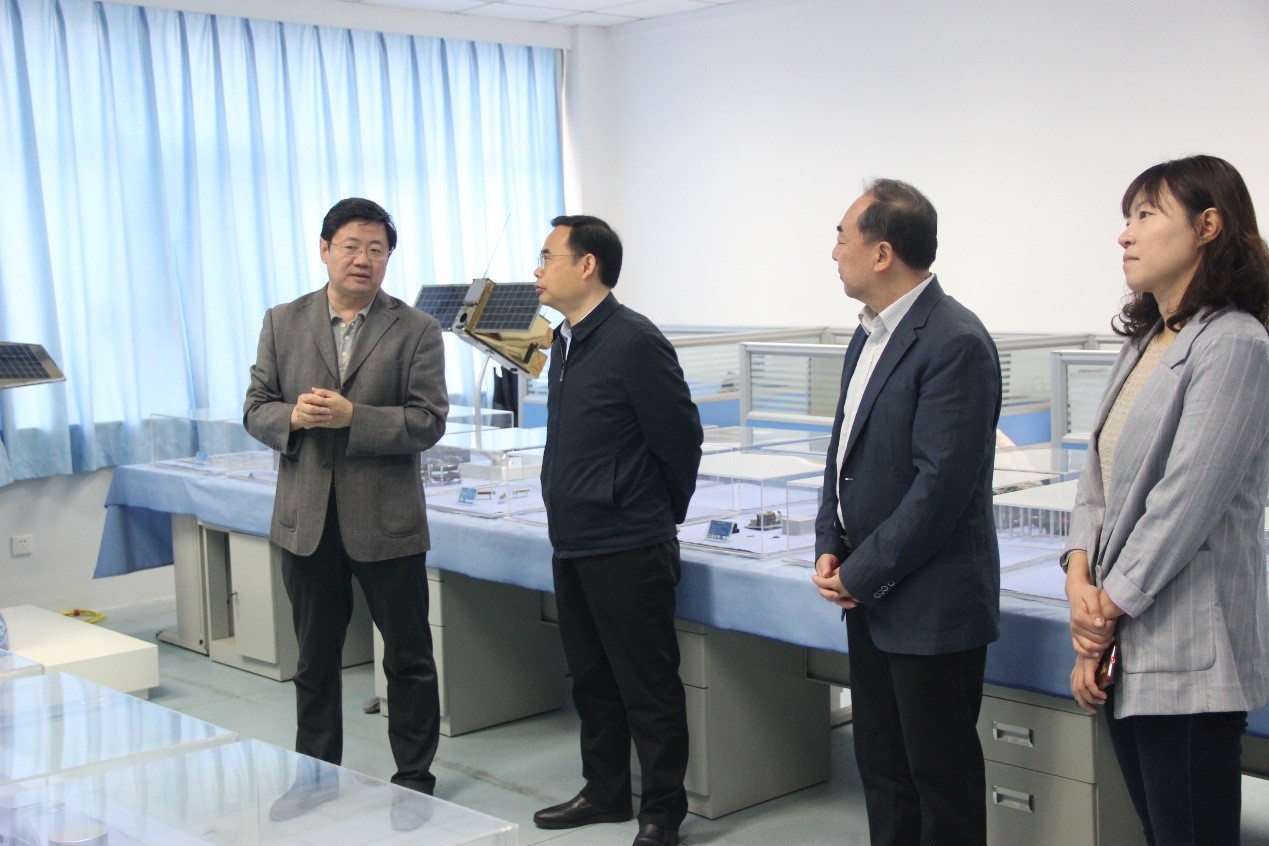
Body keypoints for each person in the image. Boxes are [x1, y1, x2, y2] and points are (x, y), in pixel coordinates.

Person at [1065, 155, 1269, 846]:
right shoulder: (1148, 339)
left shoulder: (1235, 343)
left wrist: (1102, 615)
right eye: (1126, 218)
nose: (1125, 234)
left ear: (1207, 226)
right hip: (1126, 636)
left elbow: (1184, 502)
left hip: (1187, 649)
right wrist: (1077, 577)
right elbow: (1096, 477)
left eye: (1145, 215)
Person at [243, 197, 448, 825]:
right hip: (306, 521)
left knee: (408, 659)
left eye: (377, 249)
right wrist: (293, 417)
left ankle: (413, 783)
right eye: (352, 246)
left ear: (388, 259)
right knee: (314, 660)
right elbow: (255, 407)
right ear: (325, 249)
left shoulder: (416, 329)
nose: (363, 259)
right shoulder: (283, 321)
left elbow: (428, 422)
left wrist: (356, 417)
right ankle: (315, 778)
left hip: (387, 520)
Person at [811, 179, 1001, 845]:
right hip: (870, 598)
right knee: (884, 774)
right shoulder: (867, 335)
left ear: (882, 252)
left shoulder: (954, 341)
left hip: (931, 607)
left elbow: (939, 489)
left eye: (841, 237)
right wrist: (829, 540)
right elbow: (843, 452)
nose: (834, 251)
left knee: (940, 785)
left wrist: (860, 574)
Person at [529, 214, 703, 846]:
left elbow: (681, 438)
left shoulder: (634, 340)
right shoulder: (566, 341)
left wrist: (655, 513)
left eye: (548, 257)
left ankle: (662, 812)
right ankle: (604, 792)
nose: (536, 271)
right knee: (592, 681)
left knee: (647, 687)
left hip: (628, 544)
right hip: (573, 538)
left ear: (587, 265)